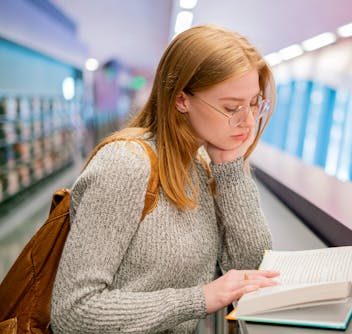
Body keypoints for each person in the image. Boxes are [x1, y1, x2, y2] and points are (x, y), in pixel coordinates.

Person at [50, 24, 279, 333]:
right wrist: (198, 299)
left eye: (253, 103)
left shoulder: (198, 162)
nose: (248, 121)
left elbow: (252, 266)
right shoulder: (125, 165)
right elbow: (73, 312)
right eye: (231, 107)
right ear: (181, 99)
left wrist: (230, 168)